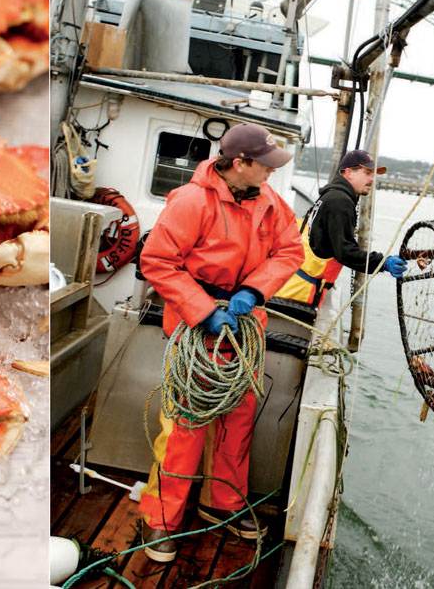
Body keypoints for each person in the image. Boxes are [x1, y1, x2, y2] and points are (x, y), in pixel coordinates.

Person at [136, 123, 303, 562]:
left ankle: (222, 503)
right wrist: (204, 311)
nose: (271, 172)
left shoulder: (271, 203)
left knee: (237, 419)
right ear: (241, 163)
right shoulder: (191, 201)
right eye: (264, 165)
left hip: (245, 326)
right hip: (197, 326)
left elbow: (291, 252)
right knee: (185, 427)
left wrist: (253, 291)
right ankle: (161, 519)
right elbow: (156, 261)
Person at [273, 148, 407, 322]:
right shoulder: (340, 202)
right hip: (297, 295)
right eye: (367, 173)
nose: (372, 179)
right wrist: (383, 263)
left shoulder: (330, 195)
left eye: (373, 174)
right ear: (349, 173)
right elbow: (345, 252)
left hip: (289, 283)